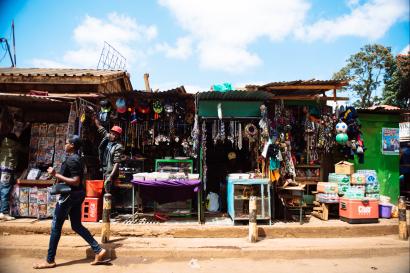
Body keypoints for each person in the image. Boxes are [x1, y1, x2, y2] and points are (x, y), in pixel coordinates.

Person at [33, 135, 106, 269]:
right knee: (76, 225)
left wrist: (56, 174)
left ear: (72, 145)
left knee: (56, 227)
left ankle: (49, 260)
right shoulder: (78, 159)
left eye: (67, 143)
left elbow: (75, 180)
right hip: (78, 195)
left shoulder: (72, 160)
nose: (65, 145)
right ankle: (98, 250)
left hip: (69, 196)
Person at [94, 117, 124, 193]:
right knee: (101, 190)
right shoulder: (107, 137)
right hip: (102, 168)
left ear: (118, 137)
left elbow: (116, 162)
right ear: (110, 132)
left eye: (116, 135)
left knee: (108, 192)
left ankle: (109, 204)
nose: (113, 136)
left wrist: (110, 176)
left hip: (110, 171)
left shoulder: (118, 146)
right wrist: (94, 116)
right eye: (112, 134)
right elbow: (100, 127)